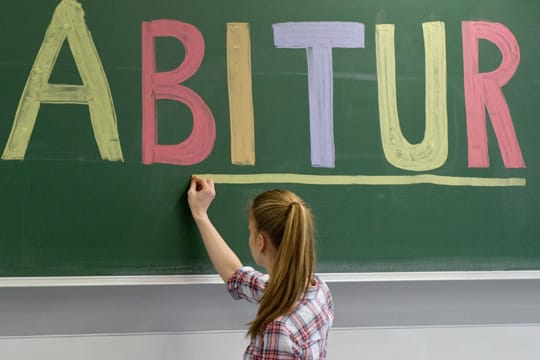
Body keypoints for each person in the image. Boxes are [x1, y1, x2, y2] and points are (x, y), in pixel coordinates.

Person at [187, 176, 334, 359]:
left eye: (251, 230)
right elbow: (236, 275)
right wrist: (200, 215)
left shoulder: (279, 330)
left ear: (260, 242)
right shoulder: (317, 289)